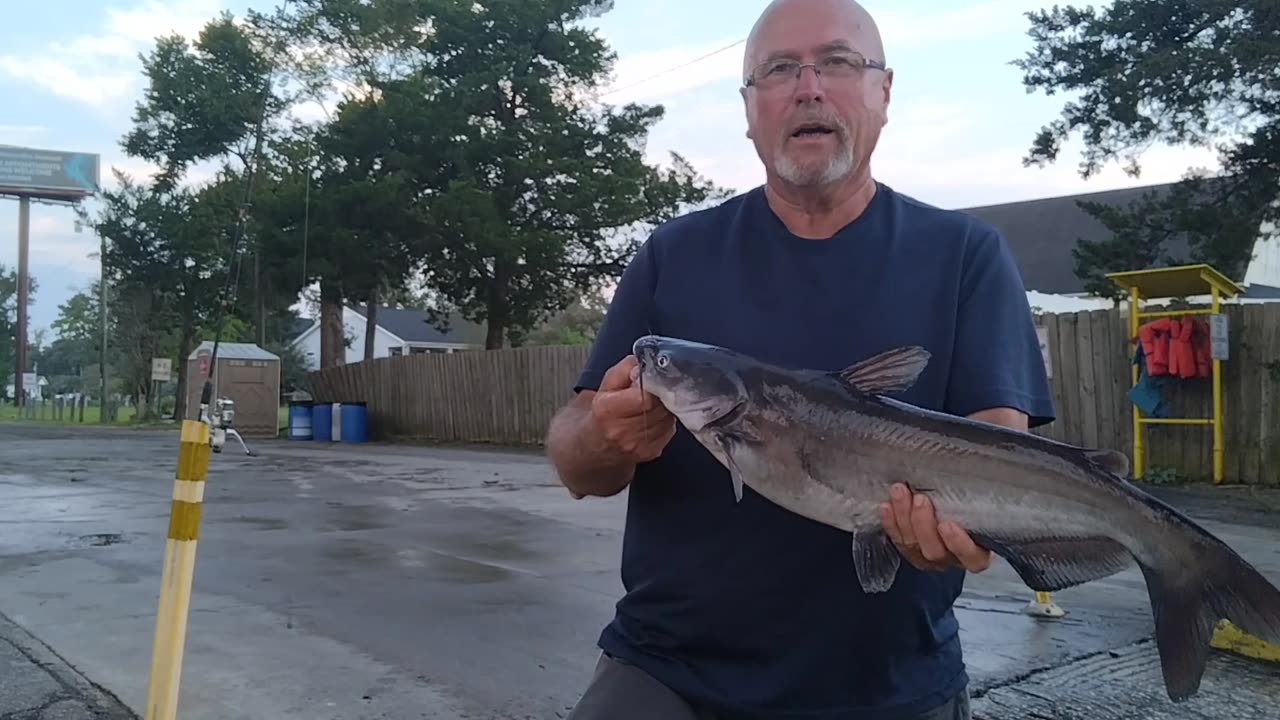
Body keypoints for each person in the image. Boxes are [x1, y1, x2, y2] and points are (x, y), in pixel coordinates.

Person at [544, 0, 1055, 717]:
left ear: (884, 92)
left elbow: (1001, 444)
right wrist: (600, 434)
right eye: (779, 69)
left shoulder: (966, 256)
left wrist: (960, 529)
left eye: (838, 62)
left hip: (891, 687)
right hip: (668, 673)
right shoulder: (673, 255)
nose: (808, 86)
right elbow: (574, 462)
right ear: (750, 109)